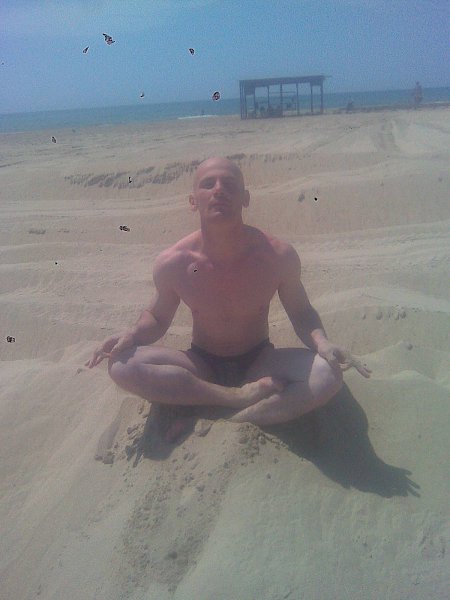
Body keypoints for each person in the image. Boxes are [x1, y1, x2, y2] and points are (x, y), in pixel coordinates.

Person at [86, 157, 371, 440]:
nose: (219, 190)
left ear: (245, 198)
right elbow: (157, 318)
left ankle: (239, 418)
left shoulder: (277, 256)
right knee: (121, 365)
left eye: (229, 184)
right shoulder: (174, 262)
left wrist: (322, 343)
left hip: (260, 361)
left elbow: (301, 313)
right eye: (208, 184)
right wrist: (132, 334)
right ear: (193, 201)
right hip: (200, 364)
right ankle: (233, 398)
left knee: (328, 375)